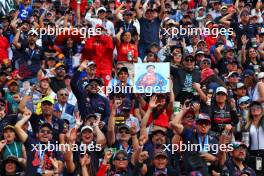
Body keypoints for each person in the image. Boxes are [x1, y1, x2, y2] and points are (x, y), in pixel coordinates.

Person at [14, 110, 63, 175]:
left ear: (51, 136)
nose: (45, 133)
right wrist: (26, 118)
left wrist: (49, 172)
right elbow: (17, 127)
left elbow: (60, 168)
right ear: (37, 134)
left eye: (48, 132)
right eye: (42, 131)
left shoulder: (55, 149)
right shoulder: (31, 143)